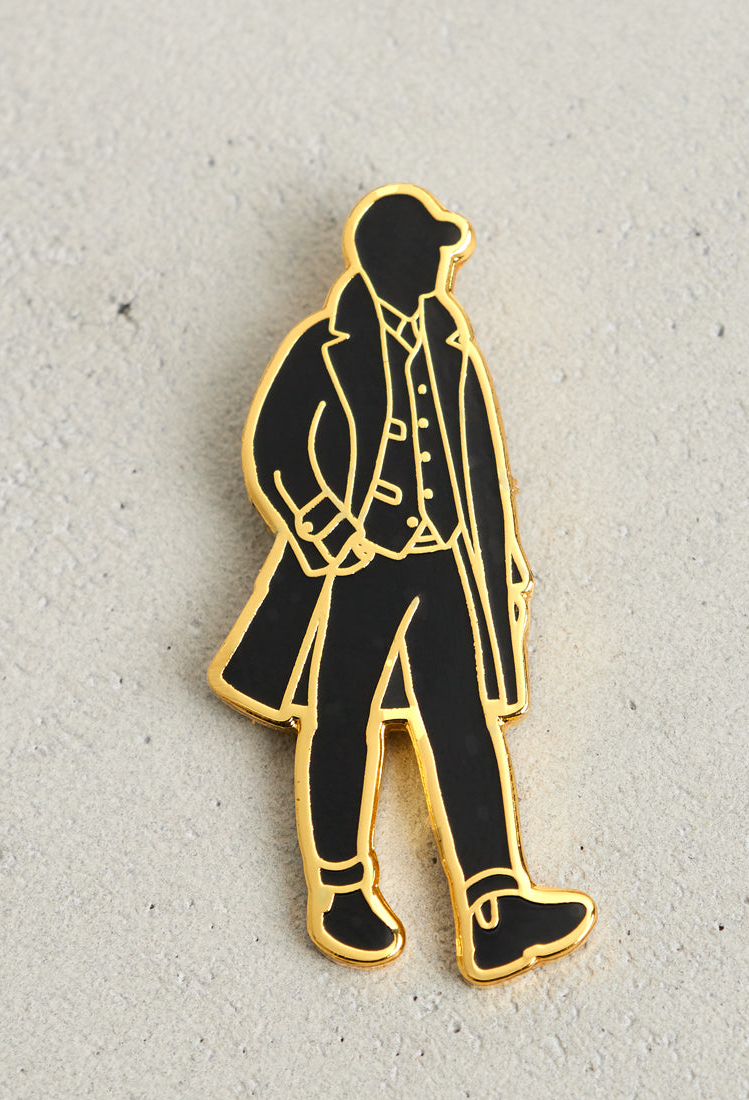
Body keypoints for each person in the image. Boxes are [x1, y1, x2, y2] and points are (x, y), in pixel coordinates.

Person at [210, 184, 595, 984]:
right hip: (353, 567)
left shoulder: (449, 345)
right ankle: (342, 888)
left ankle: (494, 905)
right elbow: (278, 450)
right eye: (428, 251)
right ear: (391, 258)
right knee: (340, 718)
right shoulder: (323, 344)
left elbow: (481, 467)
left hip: (443, 560)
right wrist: (331, 531)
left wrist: (501, 560)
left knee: (463, 720)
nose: (441, 264)